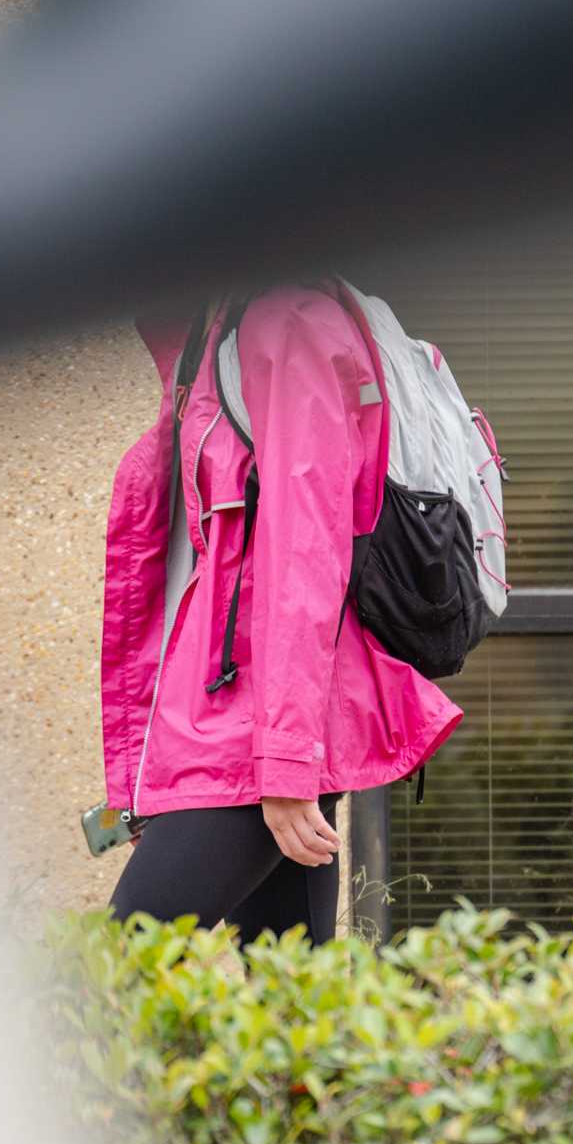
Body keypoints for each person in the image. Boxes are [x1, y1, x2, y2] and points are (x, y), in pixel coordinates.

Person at [98, 283, 462, 941]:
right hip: (242, 719)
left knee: (113, 978)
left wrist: (287, 761)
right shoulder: (214, 330)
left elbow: (306, 552)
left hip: (258, 731)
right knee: (292, 995)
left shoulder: (286, 322)